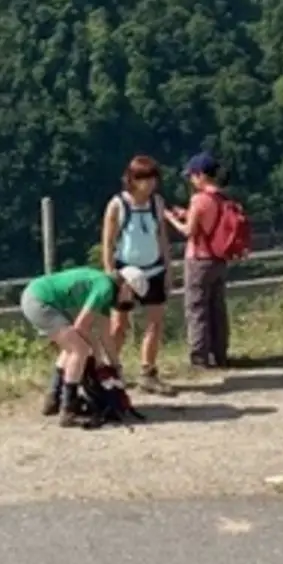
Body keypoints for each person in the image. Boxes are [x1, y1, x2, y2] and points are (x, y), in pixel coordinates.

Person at [20, 266, 148, 427]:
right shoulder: (104, 288)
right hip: (39, 300)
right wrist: (98, 358)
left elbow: (105, 336)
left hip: (38, 297)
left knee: (72, 346)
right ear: (126, 287)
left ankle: (53, 399)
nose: (130, 304)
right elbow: (81, 326)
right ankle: (68, 410)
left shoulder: (105, 289)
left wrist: (116, 366)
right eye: (133, 298)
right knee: (80, 349)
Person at [102, 155, 171, 393]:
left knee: (155, 322)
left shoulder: (156, 203)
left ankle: (148, 372)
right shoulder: (118, 204)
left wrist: (168, 268)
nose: (149, 184)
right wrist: (110, 273)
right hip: (126, 273)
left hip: (154, 269)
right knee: (119, 325)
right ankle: (110, 371)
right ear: (132, 179)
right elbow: (108, 241)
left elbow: (161, 236)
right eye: (144, 178)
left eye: (153, 178)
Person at [165, 153, 233, 368]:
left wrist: (171, 218)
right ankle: (220, 353)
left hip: (199, 259)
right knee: (217, 308)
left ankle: (199, 357)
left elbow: (189, 231)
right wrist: (187, 214)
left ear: (201, 175)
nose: (191, 180)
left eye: (192, 176)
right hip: (219, 258)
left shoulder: (199, 199)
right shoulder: (222, 198)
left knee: (196, 308)